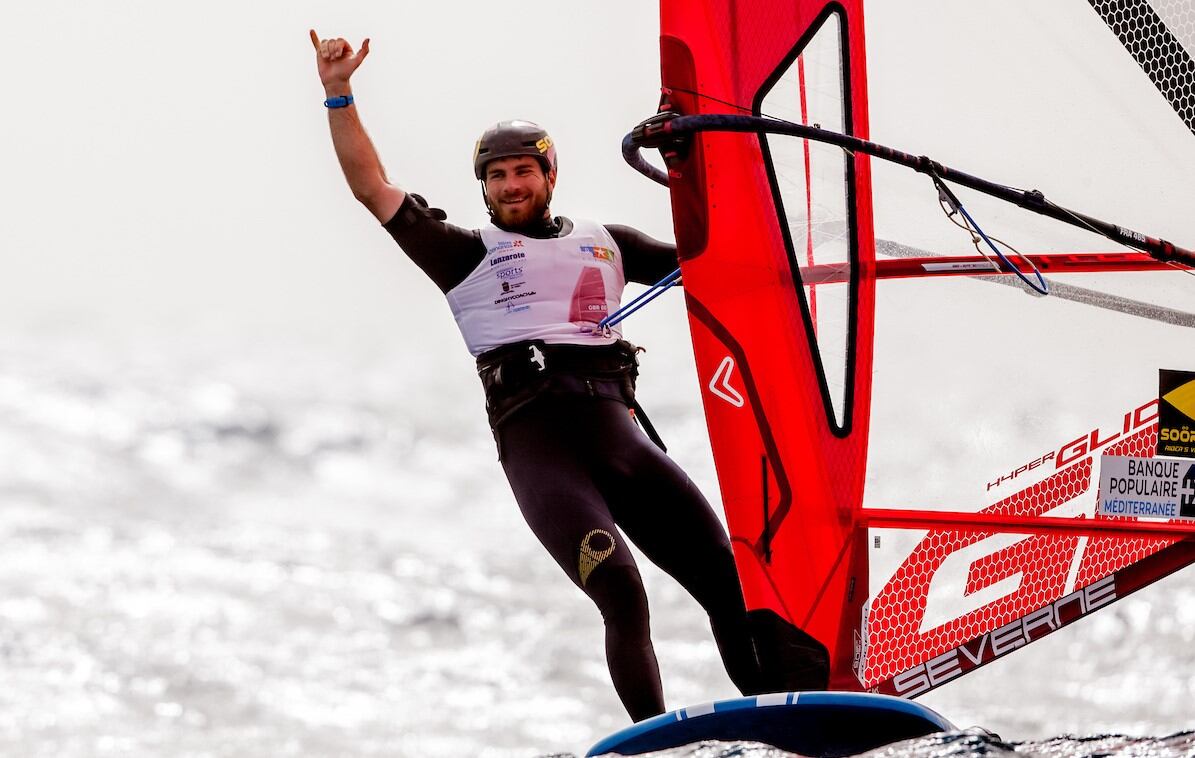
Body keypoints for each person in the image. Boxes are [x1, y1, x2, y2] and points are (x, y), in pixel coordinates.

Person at [309, 30, 827, 720]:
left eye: (522, 171)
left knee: (731, 589)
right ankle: (650, 739)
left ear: (549, 175)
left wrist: (699, 160)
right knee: (621, 593)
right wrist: (338, 93)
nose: (510, 186)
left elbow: (716, 263)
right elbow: (370, 187)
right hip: (543, 456)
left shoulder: (607, 244)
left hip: (625, 447)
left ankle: (795, 720)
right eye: (495, 177)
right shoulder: (462, 254)